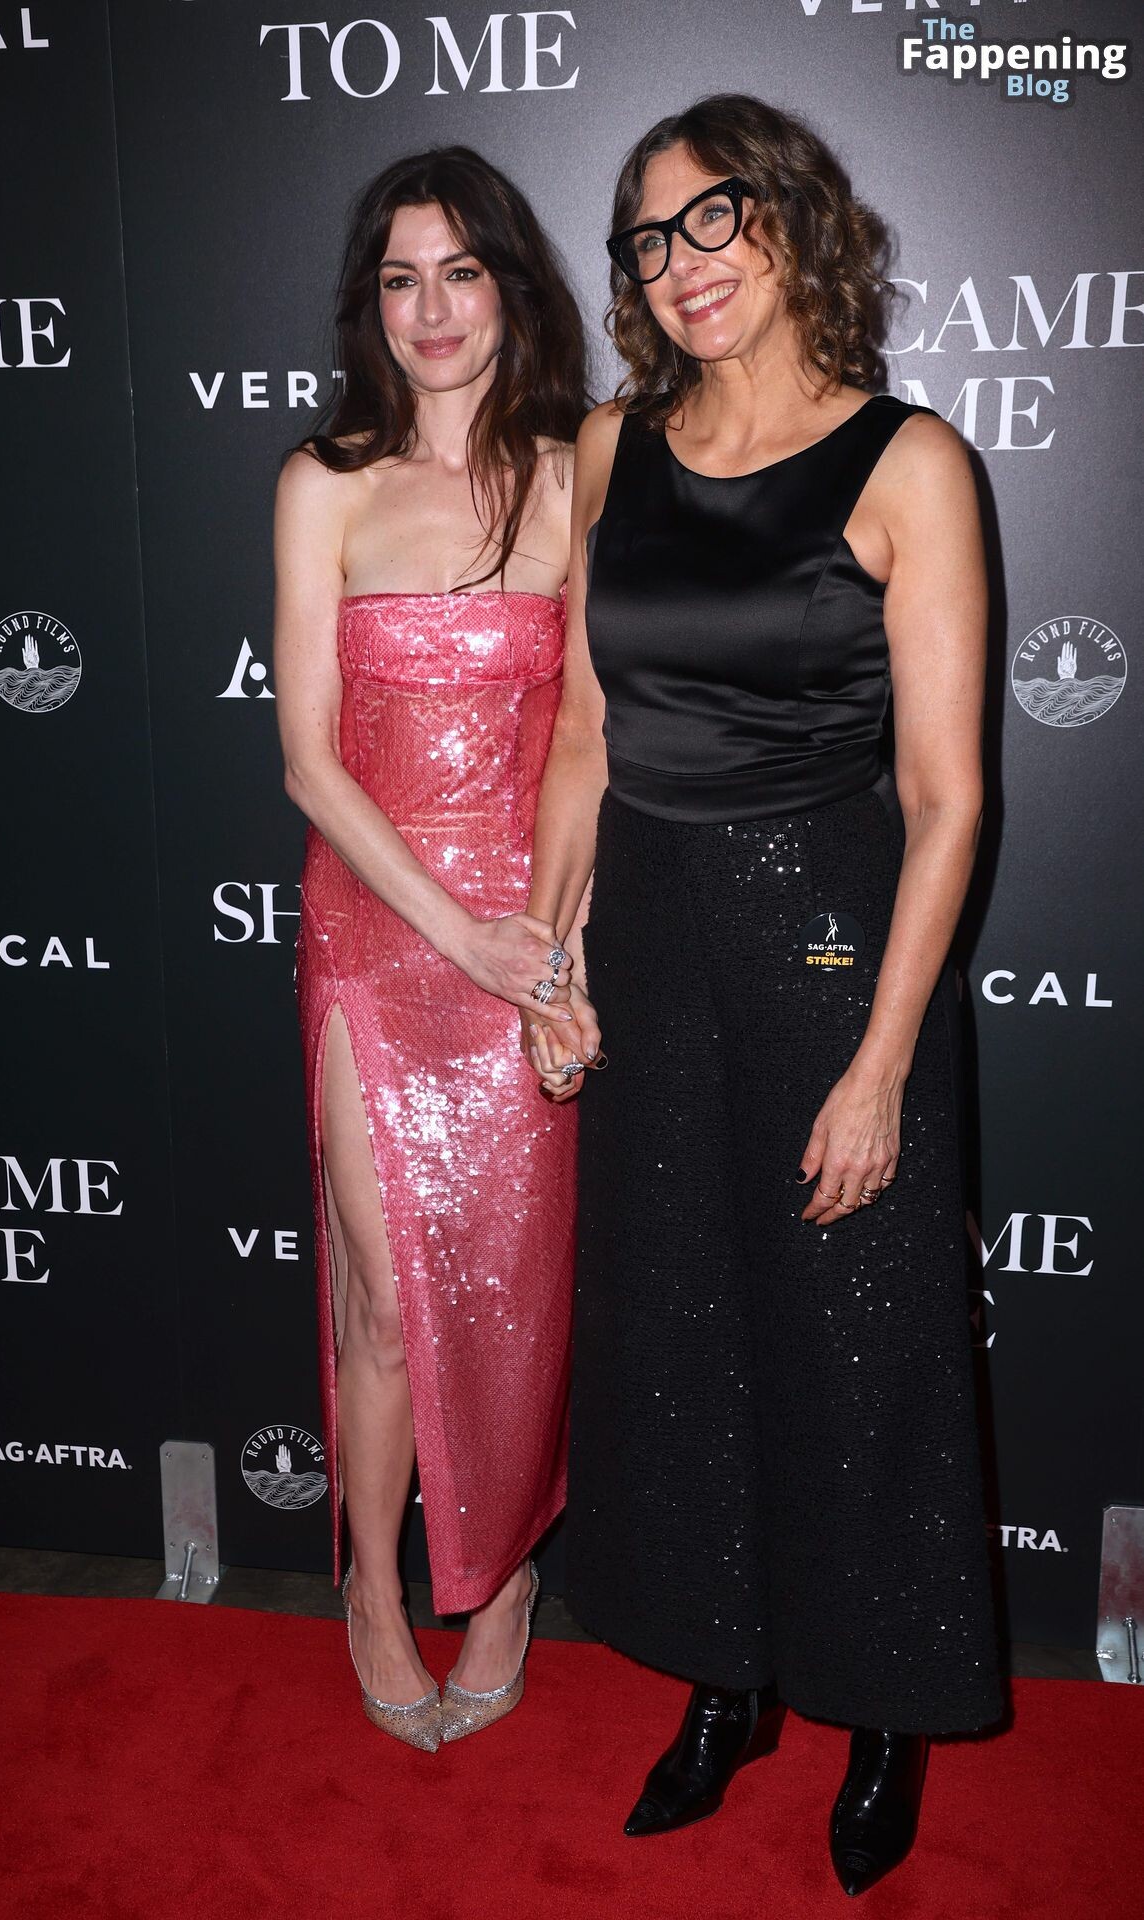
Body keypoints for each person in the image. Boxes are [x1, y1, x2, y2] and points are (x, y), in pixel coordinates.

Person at [525, 95, 1002, 1893]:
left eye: (710, 217)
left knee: (856, 1337)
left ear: (791, 218)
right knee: (673, 1325)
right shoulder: (608, 446)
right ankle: (722, 1680)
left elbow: (945, 799)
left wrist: (881, 1062)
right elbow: (582, 735)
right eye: (648, 240)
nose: (681, 264)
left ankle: (881, 1708)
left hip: (826, 932)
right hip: (649, 927)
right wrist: (548, 956)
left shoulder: (906, 461)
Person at [274, 146, 588, 1752]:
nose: (432, 309)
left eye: (460, 271)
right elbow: (309, 764)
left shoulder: (574, 477)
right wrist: (452, 932)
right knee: (390, 1297)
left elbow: (589, 739)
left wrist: (554, 954)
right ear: (369, 306)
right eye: (400, 279)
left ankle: (508, 1578)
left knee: (518, 1300)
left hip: (528, 938)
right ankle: (377, 1590)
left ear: (507, 288)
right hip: (378, 932)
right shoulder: (322, 483)